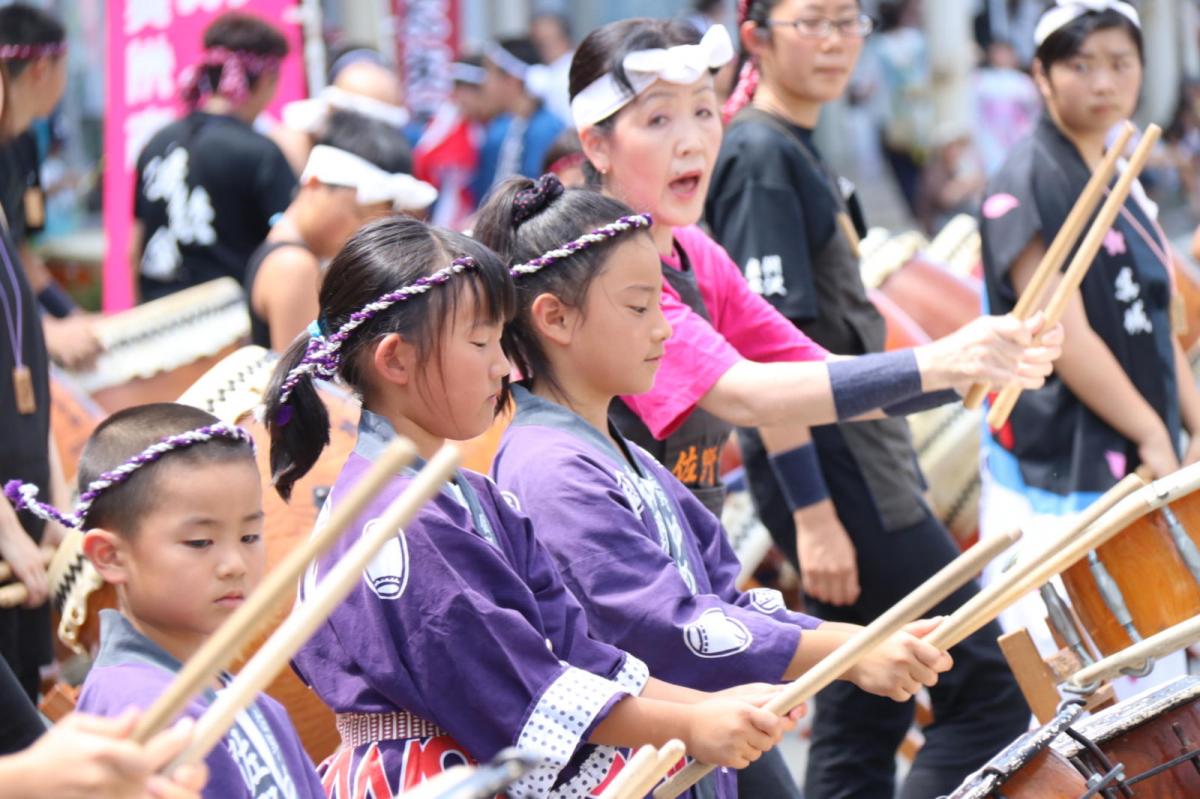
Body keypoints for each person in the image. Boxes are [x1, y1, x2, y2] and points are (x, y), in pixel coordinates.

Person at [567, 16, 1054, 798]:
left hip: (690, 587)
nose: (693, 138)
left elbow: (810, 367)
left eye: (702, 108)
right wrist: (939, 361)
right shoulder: (602, 269)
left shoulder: (695, 252)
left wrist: (975, 368)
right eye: (658, 118)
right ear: (595, 143)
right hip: (610, 603)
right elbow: (747, 392)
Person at [263, 215, 798, 798]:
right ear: (395, 360)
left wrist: (712, 707)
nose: (502, 365)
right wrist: (691, 723)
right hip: (432, 779)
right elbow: (517, 691)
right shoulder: (395, 520)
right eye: (479, 342)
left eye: (499, 340)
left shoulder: (477, 498)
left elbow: (576, 654)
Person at [478, 174, 955, 789]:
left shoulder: (630, 459)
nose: (663, 329)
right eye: (639, 306)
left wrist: (858, 641)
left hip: (693, 755)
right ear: (555, 318)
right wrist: (849, 654)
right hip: (639, 771)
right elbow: (670, 626)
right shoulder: (548, 470)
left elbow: (726, 598)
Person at [978, 2, 1200, 640]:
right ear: (1041, 76)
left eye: (1120, 64)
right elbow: (1062, 332)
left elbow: (1160, 319)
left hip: (1140, 442)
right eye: (1081, 65)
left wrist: (1187, 424)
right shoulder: (1026, 177)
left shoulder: (1120, 173)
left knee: (1158, 670)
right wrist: (1153, 433)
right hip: (1072, 459)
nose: (1104, 82)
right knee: (1092, 683)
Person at [4, 403, 326, 798]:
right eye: (200, 542)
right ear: (110, 555)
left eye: (249, 537)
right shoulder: (139, 710)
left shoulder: (245, 698)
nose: (234, 565)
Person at [132, 12, 295, 303]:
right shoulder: (260, 152)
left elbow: (134, 249)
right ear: (268, 78)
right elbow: (289, 250)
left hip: (156, 318)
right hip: (232, 327)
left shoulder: (156, 142)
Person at [246, 110, 435, 351]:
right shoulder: (293, 266)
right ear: (315, 184)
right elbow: (302, 381)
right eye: (359, 215)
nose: (362, 233)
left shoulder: (299, 258)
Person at [0, 3, 102, 370]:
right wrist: (44, 330)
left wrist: (71, 315)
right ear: (42, 69)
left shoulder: (27, 144)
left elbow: (21, 249)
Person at [472, 38, 564, 203]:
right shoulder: (509, 125)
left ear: (511, 80)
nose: (484, 83)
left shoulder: (545, 130)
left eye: (489, 73)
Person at [413, 56, 488, 229]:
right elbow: (422, 161)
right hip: (448, 214)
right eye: (456, 88)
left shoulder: (496, 125)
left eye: (465, 90)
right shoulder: (447, 122)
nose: (458, 96)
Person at [527, 13, 574, 127]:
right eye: (537, 43)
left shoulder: (545, 77)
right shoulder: (544, 73)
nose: (542, 48)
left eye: (547, 40)